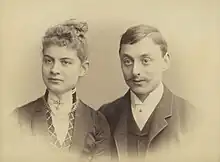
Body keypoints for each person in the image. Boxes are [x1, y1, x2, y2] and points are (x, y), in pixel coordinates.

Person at [11, 19, 110, 161]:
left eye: (65, 62)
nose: (54, 70)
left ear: (83, 68)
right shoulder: (19, 118)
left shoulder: (98, 123)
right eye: (48, 61)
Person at [99, 24, 196, 161]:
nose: (135, 71)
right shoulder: (105, 116)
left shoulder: (191, 118)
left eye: (145, 61)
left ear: (165, 61)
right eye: (127, 61)